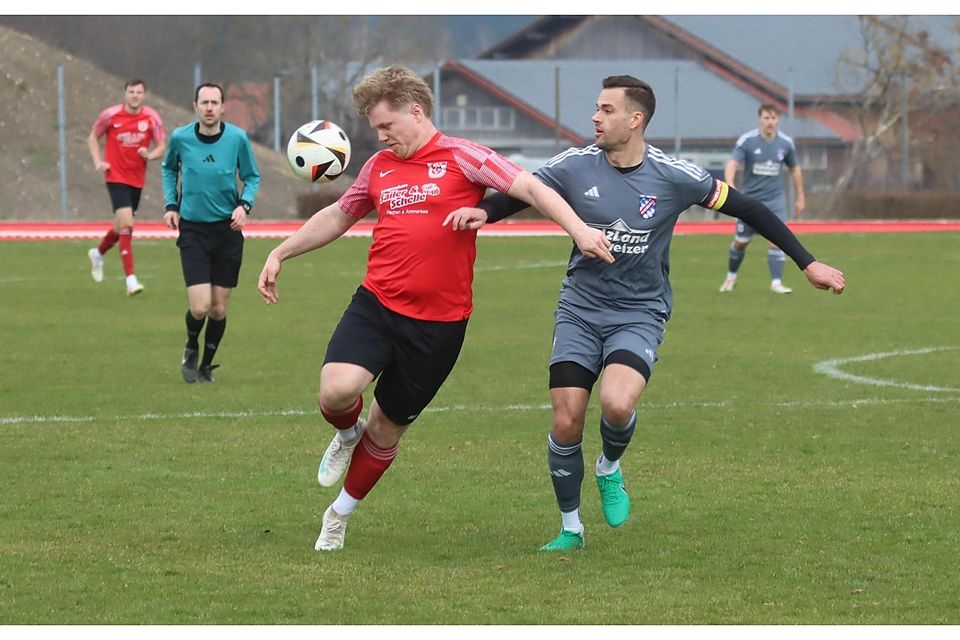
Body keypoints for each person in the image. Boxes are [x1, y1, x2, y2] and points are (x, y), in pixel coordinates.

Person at [444, 75, 845, 552]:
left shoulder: (674, 175)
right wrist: (486, 212)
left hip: (639, 311)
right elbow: (524, 191)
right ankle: (571, 529)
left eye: (607, 110)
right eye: (596, 108)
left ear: (635, 119)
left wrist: (807, 262)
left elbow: (750, 209)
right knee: (567, 418)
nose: (595, 117)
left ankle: (609, 467)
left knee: (617, 404)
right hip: (580, 309)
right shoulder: (574, 164)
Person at [256, 65, 614, 552]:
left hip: (439, 327)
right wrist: (280, 253)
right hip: (377, 304)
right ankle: (345, 433)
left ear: (416, 111)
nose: (381, 137)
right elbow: (339, 215)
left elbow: (531, 188)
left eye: (386, 125)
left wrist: (578, 229)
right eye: (376, 129)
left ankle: (337, 515)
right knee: (337, 391)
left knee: (386, 430)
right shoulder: (378, 166)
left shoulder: (464, 157)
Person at [161, 82, 260, 384]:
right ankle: (191, 346)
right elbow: (168, 169)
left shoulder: (237, 138)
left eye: (214, 103)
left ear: (222, 107)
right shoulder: (180, 138)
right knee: (200, 306)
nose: (209, 108)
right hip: (193, 230)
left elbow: (252, 177)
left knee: (218, 308)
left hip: (227, 231)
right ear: (195, 106)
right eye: (204, 102)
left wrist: (244, 205)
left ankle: (205, 366)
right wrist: (171, 205)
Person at [86, 79, 166, 296]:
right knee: (128, 225)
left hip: (136, 179)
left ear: (144, 95)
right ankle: (131, 280)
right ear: (125, 94)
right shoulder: (110, 116)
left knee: (120, 226)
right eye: (131, 92)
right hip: (115, 176)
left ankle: (98, 253)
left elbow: (161, 146)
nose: (135, 96)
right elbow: (93, 137)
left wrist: (150, 155)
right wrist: (98, 161)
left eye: (139, 92)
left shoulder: (151, 118)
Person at [719, 103, 806, 294]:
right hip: (749, 202)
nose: (770, 122)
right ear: (760, 119)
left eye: (774, 118)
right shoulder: (748, 141)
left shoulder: (786, 143)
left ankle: (776, 282)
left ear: (778, 120)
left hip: (775, 201)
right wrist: (730, 184)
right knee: (741, 242)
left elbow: (795, 169)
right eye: (766, 118)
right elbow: (733, 163)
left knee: (777, 240)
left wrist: (800, 196)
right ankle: (731, 277)